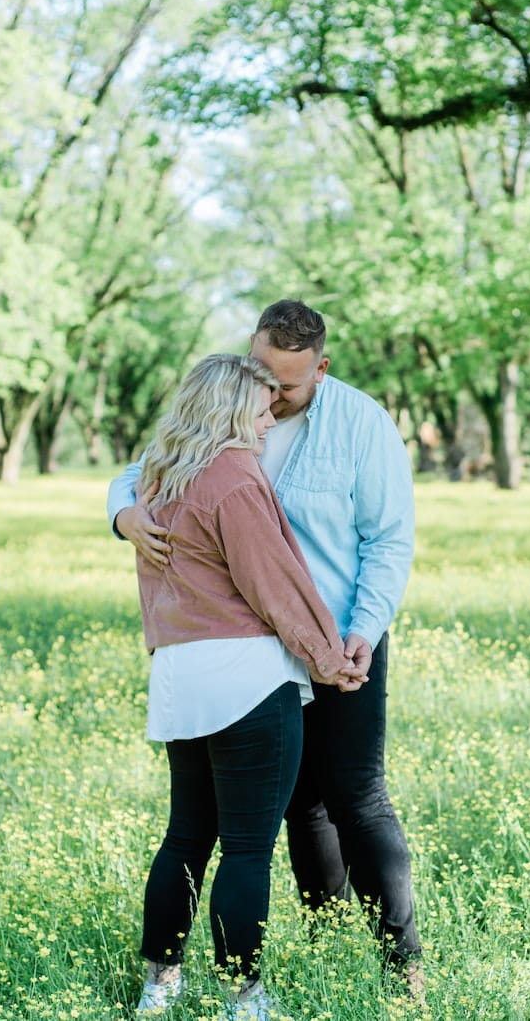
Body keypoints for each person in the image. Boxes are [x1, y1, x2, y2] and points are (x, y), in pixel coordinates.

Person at [110, 301, 424, 1000]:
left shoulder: (360, 425)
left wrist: (354, 641)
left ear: (321, 367)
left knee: (355, 799)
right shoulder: (225, 432)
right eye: (262, 381)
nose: (271, 400)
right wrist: (123, 513)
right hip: (263, 660)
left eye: (285, 386)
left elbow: (387, 540)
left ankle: (402, 964)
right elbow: (143, 478)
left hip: (338, 636)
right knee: (285, 816)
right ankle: (299, 950)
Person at [127, 352, 364, 1021]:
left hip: (178, 677)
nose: (269, 419)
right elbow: (274, 584)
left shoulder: (160, 476)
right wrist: (328, 658)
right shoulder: (234, 475)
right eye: (262, 407)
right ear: (232, 408)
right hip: (248, 681)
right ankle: (245, 998)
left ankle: (158, 988)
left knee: (184, 838)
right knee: (248, 848)